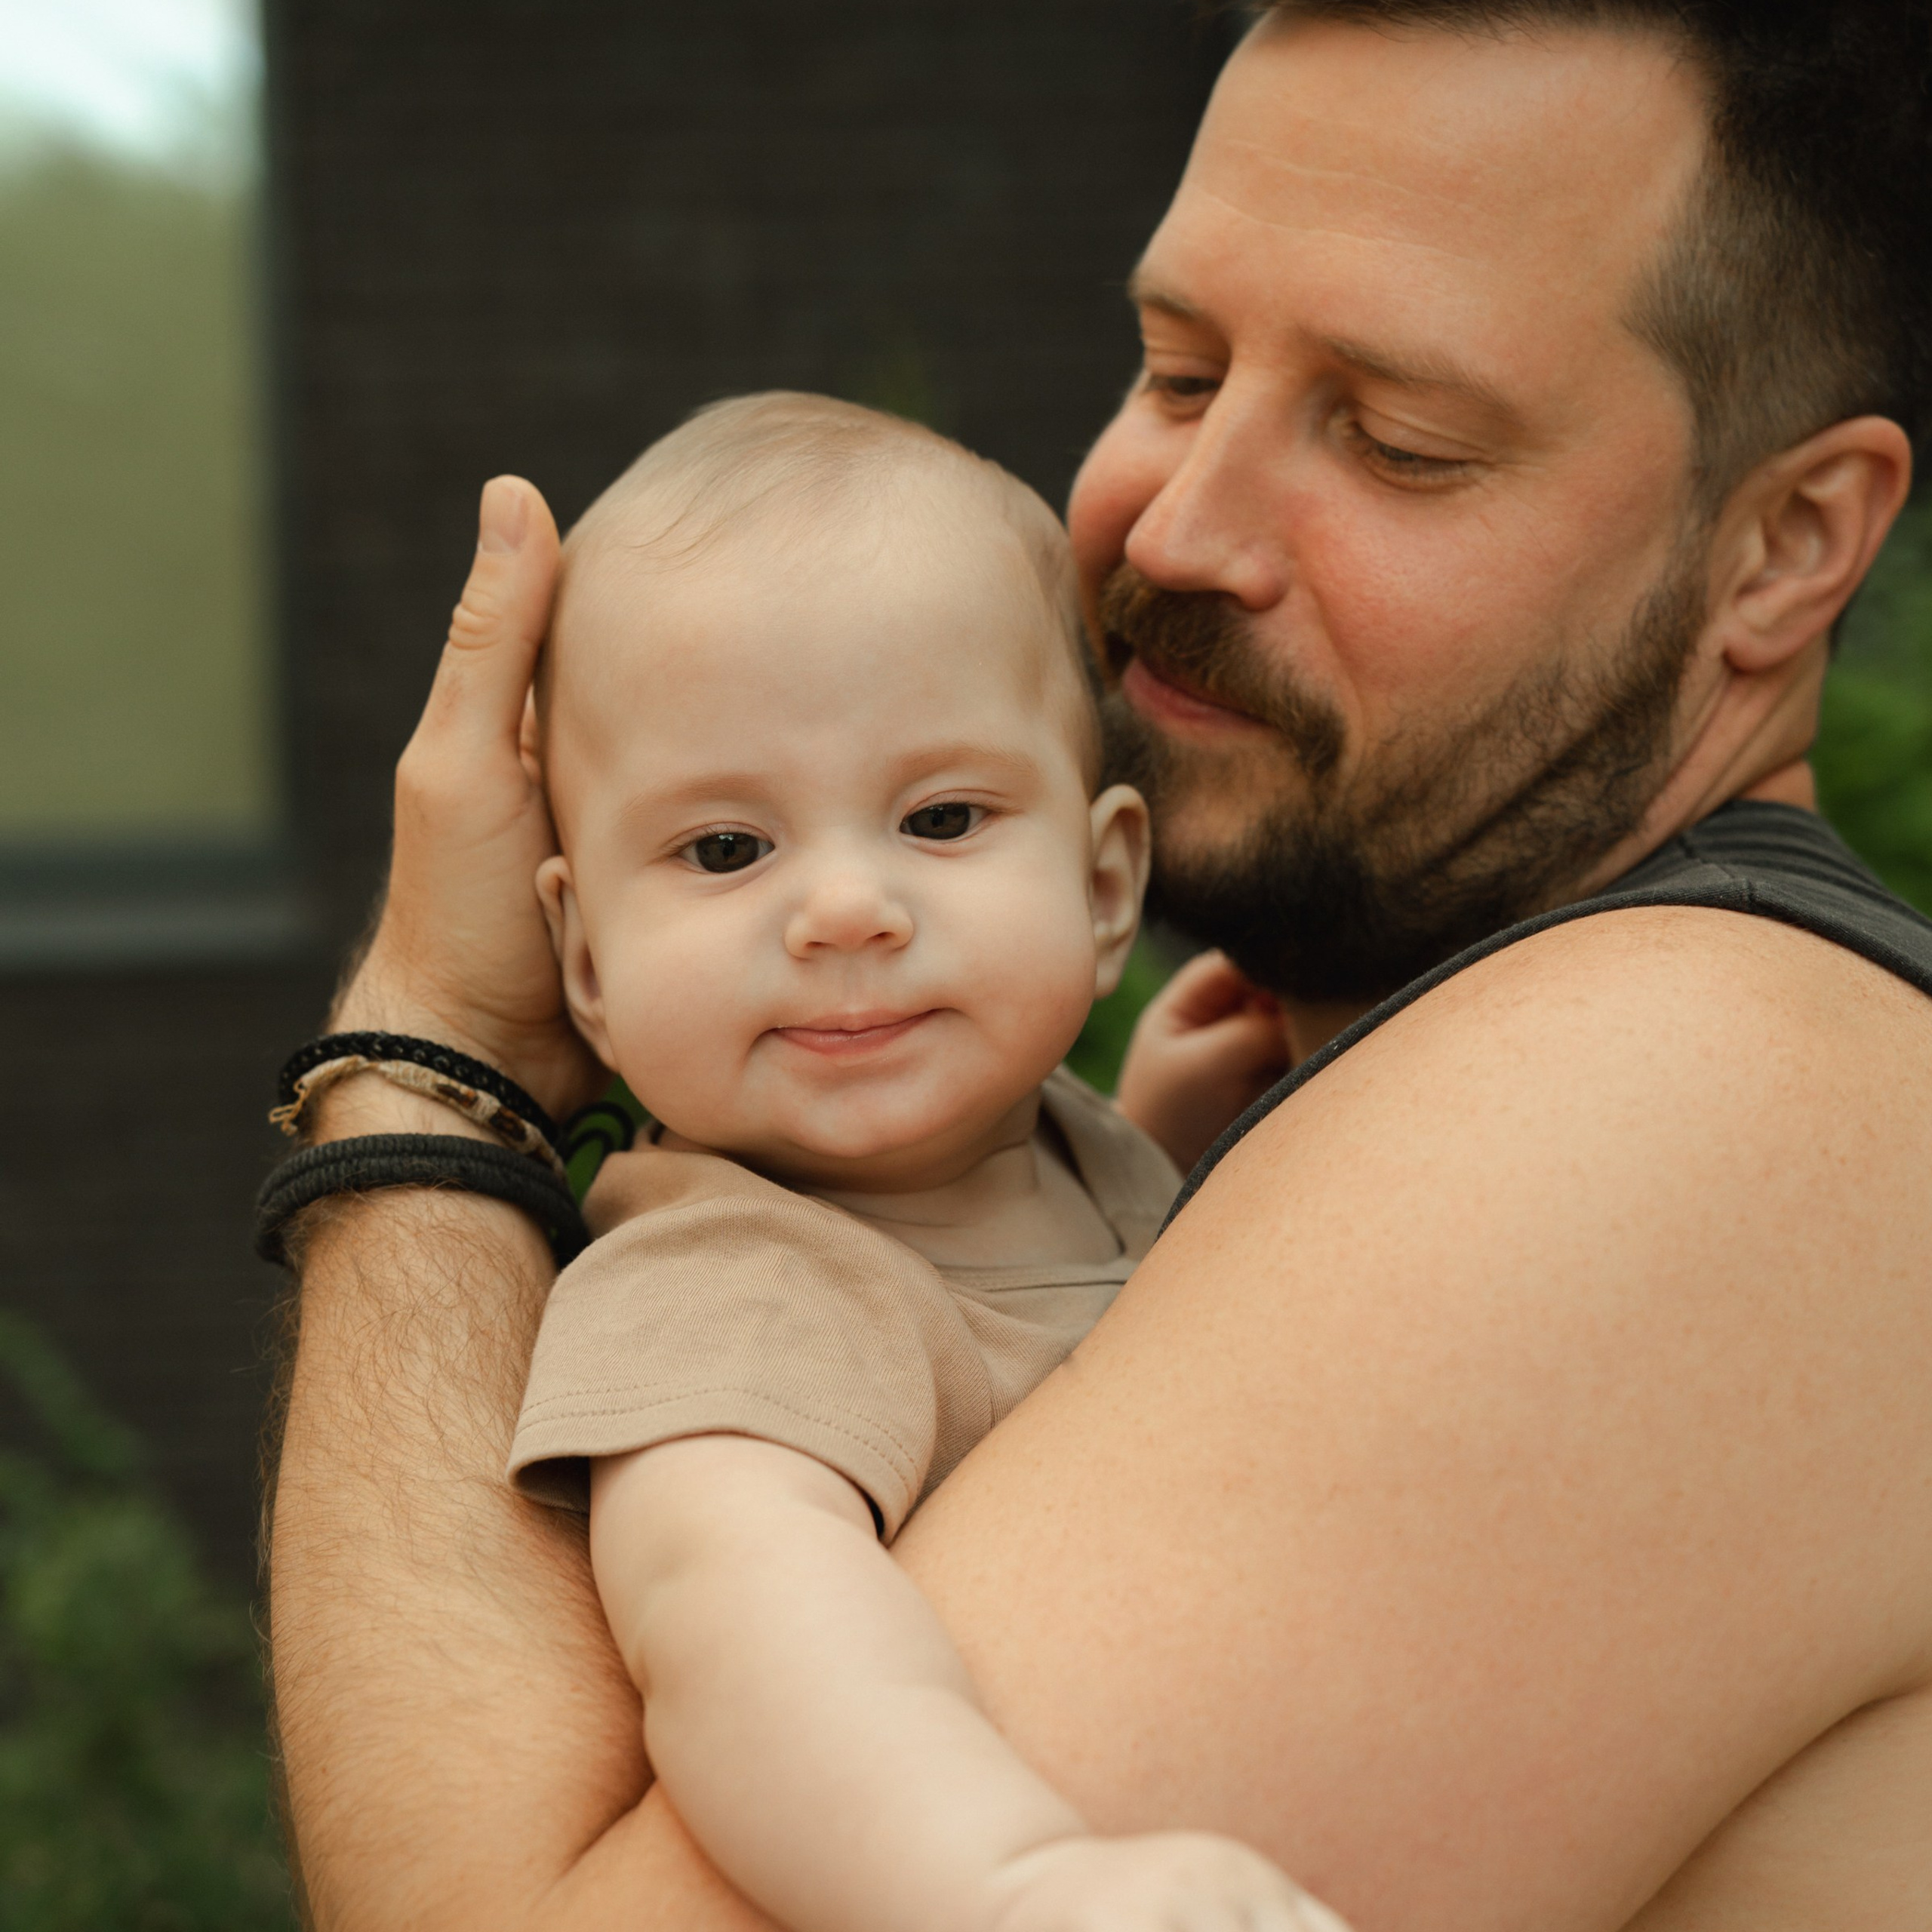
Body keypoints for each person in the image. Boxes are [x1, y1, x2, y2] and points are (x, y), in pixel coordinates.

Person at [266, 5, 1932, 1929]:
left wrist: (436, 1045)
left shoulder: (1679, 1093)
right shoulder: (1242, 1126)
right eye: (1174, 368)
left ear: (1782, 545)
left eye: (1396, 442)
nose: (1177, 524)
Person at [503, 389, 1342, 1932]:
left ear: (1104, 888)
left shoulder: (1074, 1152)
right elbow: (748, 1635)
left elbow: (1052, 1336)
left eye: (940, 818)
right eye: (725, 848)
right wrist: (1017, 1885)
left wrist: (1160, 1148)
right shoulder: (728, 1290)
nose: (844, 910)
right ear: (589, 961)